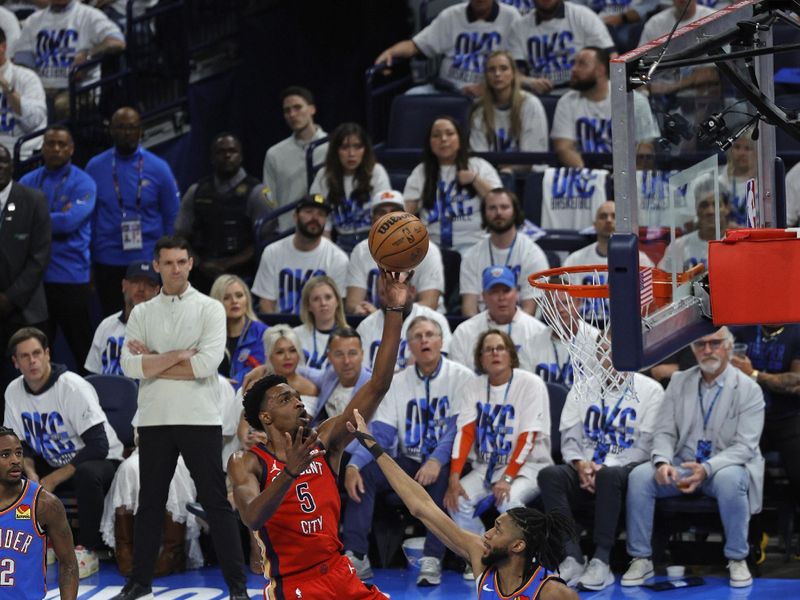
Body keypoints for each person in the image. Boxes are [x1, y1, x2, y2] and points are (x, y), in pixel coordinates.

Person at [228, 270, 412, 599]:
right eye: (286, 399)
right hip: (295, 585)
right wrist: (289, 472)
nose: (298, 401)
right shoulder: (247, 462)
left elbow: (379, 385)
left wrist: (394, 310)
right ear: (266, 417)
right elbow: (253, 516)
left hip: (341, 573)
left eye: (297, 396)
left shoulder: (325, 439)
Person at [116, 236, 248, 600]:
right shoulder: (141, 312)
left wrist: (154, 362)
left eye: (181, 262)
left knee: (216, 502)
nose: (175, 268)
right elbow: (129, 366)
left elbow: (207, 364)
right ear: (157, 266)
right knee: (150, 503)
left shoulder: (210, 309)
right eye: (168, 263)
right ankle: (140, 582)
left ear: (191, 263)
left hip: (199, 416)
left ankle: (237, 587)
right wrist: (178, 356)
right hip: (155, 418)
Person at [345, 409, 579, 599]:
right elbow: (421, 506)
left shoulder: (552, 592)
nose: (486, 534)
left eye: (497, 530)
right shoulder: (479, 555)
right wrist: (374, 448)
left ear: (517, 546)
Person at [622, 327, 765, 589]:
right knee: (640, 476)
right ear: (692, 349)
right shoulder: (679, 381)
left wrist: (707, 468)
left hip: (723, 467)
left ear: (729, 347)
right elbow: (664, 431)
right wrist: (663, 462)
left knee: (731, 480)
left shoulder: (749, 389)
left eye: (715, 343)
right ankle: (641, 558)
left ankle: (737, 557)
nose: (707, 350)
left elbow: (745, 447)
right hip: (682, 466)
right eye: (701, 344)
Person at [343, 316, 473, 586]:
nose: (424, 340)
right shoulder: (398, 382)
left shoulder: (461, 377)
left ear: (441, 341)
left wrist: (436, 460)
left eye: (430, 334)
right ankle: (356, 555)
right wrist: (354, 464)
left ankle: (432, 557)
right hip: (409, 460)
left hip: (448, 460)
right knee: (364, 474)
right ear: (409, 346)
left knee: (439, 478)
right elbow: (382, 432)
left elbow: (458, 429)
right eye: (417, 336)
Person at [3, 327, 124, 577]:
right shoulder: (13, 391)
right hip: (52, 460)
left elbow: (98, 444)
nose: (32, 360)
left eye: (37, 353)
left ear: (48, 354)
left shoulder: (71, 386)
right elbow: (18, 443)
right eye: (24, 356)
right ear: (15, 362)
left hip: (104, 459)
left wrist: (54, 478)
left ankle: (88, 548)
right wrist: (31, 471)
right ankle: (37, 541)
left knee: (87, 474)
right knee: (12, 472)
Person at [538, 368, 664, 590]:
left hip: (624, 470)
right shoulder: (581, 387)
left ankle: (601, 560)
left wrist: (604, 467)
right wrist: (579, 464)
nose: (612, 360)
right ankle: (572, 556)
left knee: (608, 475)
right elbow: (569, 440)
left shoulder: (651, 390)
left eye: (618, 353)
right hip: (584, 469)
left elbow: (646, 447)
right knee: (549, 475)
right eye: (605, 353)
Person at [447, 329, 552, 579]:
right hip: (486, 467)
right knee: (456, 500)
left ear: (511, 354)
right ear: (480, 358)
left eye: (500, 348)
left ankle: (520, 564)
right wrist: (453, 476)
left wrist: (507, 478)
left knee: (509, 504)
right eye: (488, 349)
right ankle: (485, 556)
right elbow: (466, 433)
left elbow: (529, 438)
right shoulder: (473, 386)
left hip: (529, 466)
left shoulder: (530, 384)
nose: (495, 353)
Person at [87, 107, 180, 317]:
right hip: (107, 259)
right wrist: (90, 260)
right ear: (111, 130)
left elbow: (171, 214)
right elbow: (90, 218)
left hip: (147, 258)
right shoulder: (95, 167)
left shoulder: (159, 167)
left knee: (152, 321)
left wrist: (167, 258)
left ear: (141, 130)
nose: (126, 133)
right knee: (113, 320)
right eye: (120, 127)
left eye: (132, 127)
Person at [20, 126, 96, 371]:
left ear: (71, 149)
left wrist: (36, 218)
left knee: (83, 350)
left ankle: (96, 403)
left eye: (61, 144)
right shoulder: (27, 181)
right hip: (37, 282)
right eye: (50, 143)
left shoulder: (84, 182)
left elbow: (69, 222)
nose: (55, 148)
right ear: (42, 148)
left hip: (72, 279)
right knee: (38, 352)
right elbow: (17, 221)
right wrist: (52, 217)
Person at [175, 132, 276, 294]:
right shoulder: (196, 191)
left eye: (232, 151)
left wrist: (227, 264)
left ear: (241, 156)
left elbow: (266, 240)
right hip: (202, 273)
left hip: (243, 276)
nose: (227, 155)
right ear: (212, 157)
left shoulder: (256, 192)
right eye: (221, 152)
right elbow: (180, 236)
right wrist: (199, 263)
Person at [374, 0, 521, 96]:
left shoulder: (511, 17)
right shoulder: (450, 15)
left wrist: (490, 88)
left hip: (492, 93)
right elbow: (415, 45)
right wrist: (391, 51)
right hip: (448, 91)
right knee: (410, 97)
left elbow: (519, 65)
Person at [0, 144, 50, 418]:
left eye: (3, 161)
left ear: (12, 166)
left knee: (32, 380)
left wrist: (10, 298)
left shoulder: (33, 199)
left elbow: (40, 257)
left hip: (25, 308)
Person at [403, 116, 503, 254]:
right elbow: (406, 214)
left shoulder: (479, 165)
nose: (443, 139)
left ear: (460, 139)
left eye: (450, 134)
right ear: (429, 143)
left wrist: (475, 179)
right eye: (436, 135)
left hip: (476, 245)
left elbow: (500, 202)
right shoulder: (421, 172)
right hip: (433, 249)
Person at [0, 426, 79, 600]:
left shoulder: (44, 504)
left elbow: (68, 563)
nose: (15, 460)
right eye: (5, 455)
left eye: (19, 453)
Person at [13, 0, 124, 119]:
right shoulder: (33, 20)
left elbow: (117, 42)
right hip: (42, 89)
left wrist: (89, 54)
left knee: (60, 105)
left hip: (78, 90)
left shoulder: (89, 15)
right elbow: (22, 60)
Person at [729, 325, 800, 511]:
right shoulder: (741, 330)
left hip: (787, 417)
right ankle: (753, 528)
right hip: (747, 416)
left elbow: (796, 382)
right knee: (735, 469)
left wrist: (754, 374)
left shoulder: (796, 332)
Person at [551, 47, 658, 168]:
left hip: (626, 176)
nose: (574, 69)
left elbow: (645, 148)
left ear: (601, 70)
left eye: (582, 64)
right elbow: (563, 148)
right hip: (585, 177)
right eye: (574, 64)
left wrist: (623, 179)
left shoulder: (635, 101)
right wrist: (592, 177)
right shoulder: (566, 102)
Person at [346, 190, 444, 315]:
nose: (388, 218)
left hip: (418, 320)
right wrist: (359, 310)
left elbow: (429, 303)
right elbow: (352, 303)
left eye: (394, 212)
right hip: (373, 320)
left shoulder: (427, 250)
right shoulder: (361, 250)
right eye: (381, 213)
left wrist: (385, 314)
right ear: (372, 220)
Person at [252, 193, 348, 315]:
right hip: (281, 327)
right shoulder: (272, 252)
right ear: (295, 217)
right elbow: (266, 304)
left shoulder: (338, 258)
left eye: (321, 214)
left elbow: (338, 309)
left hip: (321, 329)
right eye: (309, 211)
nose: (315, 218)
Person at [459, 189, 548, 316]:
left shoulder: (532, 254)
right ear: (484, 213)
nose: (498, 212)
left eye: (504, 207)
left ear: (515, 211)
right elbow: (469, 308)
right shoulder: (472, 255)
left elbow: (530, 309)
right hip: (483, 328)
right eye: (492, 208)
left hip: (522, 328)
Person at [450, 265, 549, 372]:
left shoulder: (538, 331)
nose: (501, 298)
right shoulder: (464, 332)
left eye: (506, 291)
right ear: (483, 296)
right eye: (494, 292)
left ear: (516, 293)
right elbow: (457, 378)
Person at [309, 122, 390, 253]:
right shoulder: (324, 176)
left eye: (357, 147)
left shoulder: (376, 172)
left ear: (365, 150)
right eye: (345, 147)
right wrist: (327, 253)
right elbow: (320, 217)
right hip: (341, 242)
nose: (351, 154)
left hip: (373, 239)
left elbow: (385, 214)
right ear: (336, 151)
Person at [509, 0, 615, 95]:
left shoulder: (583, 16)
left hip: (582, 93)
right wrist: (529, 82)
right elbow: (514, 73)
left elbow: (611, 56)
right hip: (539, 97)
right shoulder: (518, 28)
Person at [262, 86, 328, 231]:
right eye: (287, 110)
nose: (292, 114)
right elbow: (269, 196)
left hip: (326, 229)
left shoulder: (331, 147)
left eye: (297, 108)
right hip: (289, 231)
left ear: (312, 109)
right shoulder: (274, 154)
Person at [357, 273, 452, 371]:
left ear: (412, 291)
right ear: (377, 296)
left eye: (397, 291)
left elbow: (439, 367)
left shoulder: (434, 320)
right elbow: (362, 372)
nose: (392, 298)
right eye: (384, 293)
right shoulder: (365, 327)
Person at [469, 50, 549, 164]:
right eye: (491, 70)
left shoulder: (531, 105)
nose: (497, 74)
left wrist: (508, 170)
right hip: (490, 176)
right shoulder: (479, 111)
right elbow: (479, 160)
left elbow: (533, 158)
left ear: (513, 74)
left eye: (503, 68)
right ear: (486, 76)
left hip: (527, 175)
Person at [84, 260, 160, 375]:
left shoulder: (166, 330)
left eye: (149, 284)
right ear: (124, 285)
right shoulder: (106, 326)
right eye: (135, 281)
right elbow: (93, 375)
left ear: (157, 291)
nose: (141, 288)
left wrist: (151, 361)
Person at [209, 273, 268, 390]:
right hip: (214, 394)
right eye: (226, 298)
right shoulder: (208, 336)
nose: (234, 301)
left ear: (247, 300)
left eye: (239, 296)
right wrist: (219, 382)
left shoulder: (264, 333)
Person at [657, 178, 731, 271]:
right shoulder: (678, 247)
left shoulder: (737, 245)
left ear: (727, 208)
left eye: (716, 205)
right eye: (704, 205)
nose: (710, 211)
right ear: (696, 209)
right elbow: (662, 279)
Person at [0, 24, 46, 160]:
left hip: (21, 154)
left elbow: (35, 120)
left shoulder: (26, 77)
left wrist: (7, 89)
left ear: (3, 47)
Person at [293, 275, 348, 370]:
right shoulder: (295, 335)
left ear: (337, 301)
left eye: (328, 297)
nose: (323, 303)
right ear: (308, 306)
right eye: (316, 299)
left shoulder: (350, 336)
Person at [261, 324, 319, 414]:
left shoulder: (310, 389)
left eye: (292, 350)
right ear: (269, 356)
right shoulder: (257, 386)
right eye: (280, 352)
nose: (287, 357)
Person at [718, 134, 757, 227]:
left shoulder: (767, 183)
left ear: (757, 153)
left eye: (748, 148)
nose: (741, 153)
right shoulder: (717, 182)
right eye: (737, 147)